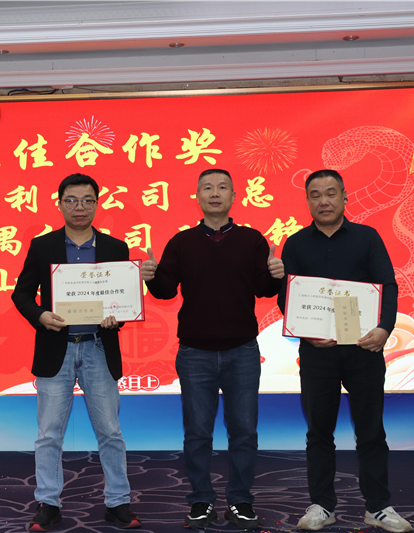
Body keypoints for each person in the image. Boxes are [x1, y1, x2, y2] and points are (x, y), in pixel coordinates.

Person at [141, 168, 284, 530]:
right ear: (198, 197)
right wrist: (151, 276)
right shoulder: (182, 242)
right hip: (195, 353)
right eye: (208, 187)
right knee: (197, 433)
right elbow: (165, 291)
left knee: (244, 431)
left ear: (234, 196)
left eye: (222, 187)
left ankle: (240, 500)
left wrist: (275, 272)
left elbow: (264, 290)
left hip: (242, 351)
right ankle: (201, 501)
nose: (215, 193)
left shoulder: (252, 240)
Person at [277, 169, 412, 533]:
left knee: (371, 431)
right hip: (317, 353)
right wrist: (307, 332)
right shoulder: (295, 244)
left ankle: (378, 507)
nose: (324, 201)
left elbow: (387, 285)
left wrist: (384, 328)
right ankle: (322, 505)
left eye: (331, 193)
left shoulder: (368, 237)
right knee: (319, 433)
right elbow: (286, 296)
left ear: (344, 196)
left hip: (364, 349)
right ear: (307, 201)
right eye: (315, 194)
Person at [12, 173, 141, 532]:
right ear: (60, 204)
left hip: (99, 348)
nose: (79, 207)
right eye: (71, 200)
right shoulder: (43, 246)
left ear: (97, 204)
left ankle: (117, 502)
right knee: (49, 434)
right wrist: (41, 315)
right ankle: (48, 504)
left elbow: (121, 299)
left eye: (87, 200)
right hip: (57, 350)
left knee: (110, 432)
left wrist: (117, 318)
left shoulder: (115, 248)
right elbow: (21, 294)